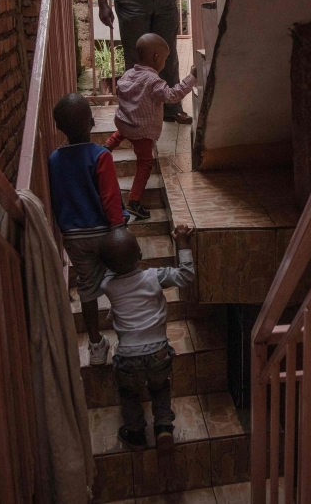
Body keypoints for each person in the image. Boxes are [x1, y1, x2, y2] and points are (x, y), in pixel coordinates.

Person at [98, 224, 195, 451]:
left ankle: (135, 432)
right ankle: (163, 427)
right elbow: (186, 276)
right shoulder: (154, 277)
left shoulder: (107, 286)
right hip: (159, 351)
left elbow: (111, 267)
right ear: (140, 254)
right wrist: (182, 243)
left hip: (128, 356)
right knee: (160, 388)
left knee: (129, 393)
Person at [48, 93, 127, 365]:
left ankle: (95, 346)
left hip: (74, 236)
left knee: (88, 289)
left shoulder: (54, 160)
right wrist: (119, 229)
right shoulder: (100, 156)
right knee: (122, 280)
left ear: (60, 129)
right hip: (105, 233)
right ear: (92, 121)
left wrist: (65, 231)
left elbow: (57, 199)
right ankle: (127, 335)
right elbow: (110, 197)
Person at [105, 33, 196, 220]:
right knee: (145, 164)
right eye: (164, 58)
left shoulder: (129, 73)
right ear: (156, 58)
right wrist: (191, 78)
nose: (164, 62)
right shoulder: (154, 81)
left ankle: (107, 147)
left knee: (125, 129)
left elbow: (119, 89)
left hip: (124, 123)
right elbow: (172, 95)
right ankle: (134, 201)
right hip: (141, 133)